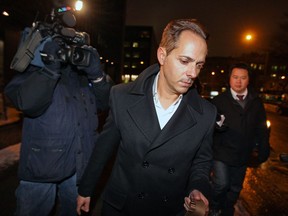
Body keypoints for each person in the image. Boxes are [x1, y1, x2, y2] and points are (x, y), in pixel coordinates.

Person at [77, 18, 217, 216]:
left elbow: (201, 162)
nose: (192, 73)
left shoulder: (206, 114)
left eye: (199, 65)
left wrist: (198, 188)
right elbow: (103, 148)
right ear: (162, 55)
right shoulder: (121, 97)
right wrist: (86, 189)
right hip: (122, 206)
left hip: (168, 208)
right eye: (185, 61)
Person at [4, 23, 112, 215]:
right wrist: (49, 69)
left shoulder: (82, 77)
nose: (69, 53)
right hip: (40, 171)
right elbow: (25, 102)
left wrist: (96, 75)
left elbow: (106, 103)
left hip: (79, 169)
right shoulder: (35, 71)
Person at [209, 62, 270, 216]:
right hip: (221, 153)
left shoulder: (256, 102)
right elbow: (210, 127)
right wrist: (217, 126)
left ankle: (228, 208)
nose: (238, 81)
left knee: (235, 188)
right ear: (229, 79)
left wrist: (263, 149)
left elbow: (262, 128)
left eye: (243, 77)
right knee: (221, 184)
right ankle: (215, 206)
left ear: (248, 80)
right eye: (235, 77)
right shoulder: (219, 101)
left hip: (243, 154)